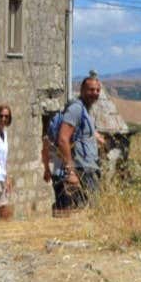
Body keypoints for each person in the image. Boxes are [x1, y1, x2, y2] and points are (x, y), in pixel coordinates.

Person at [57, 73, 104, 209]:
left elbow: (80, 133)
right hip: (81, 170)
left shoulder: (85, 110)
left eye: (97, 90)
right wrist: (70, 171)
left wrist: (95, 136)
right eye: (91, 90)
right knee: (87, 211)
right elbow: (63, 139)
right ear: (82, 90)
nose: (94, 93)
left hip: (88, 168)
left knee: (92, 211)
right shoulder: (76, 109)